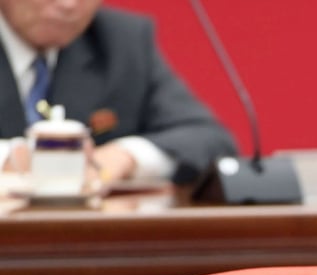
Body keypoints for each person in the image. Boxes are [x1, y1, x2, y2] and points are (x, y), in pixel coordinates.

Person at [0, 0, 236, 185]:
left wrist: (126, 156)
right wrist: (8, 158)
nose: (69, 4)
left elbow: (209, 139)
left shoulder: (120, 42)